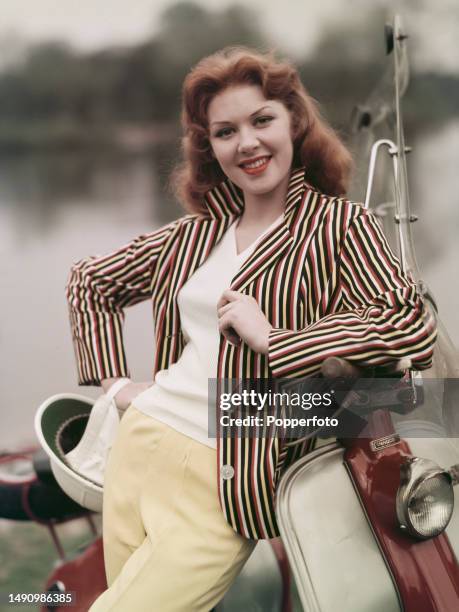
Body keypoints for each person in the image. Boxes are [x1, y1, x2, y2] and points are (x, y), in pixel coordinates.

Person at [66, 47, 436, 611]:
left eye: (261, 120)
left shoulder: (338, 227)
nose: (247, 144)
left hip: (228, 470)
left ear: (294, 121)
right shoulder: (193, 234)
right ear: (209, 147)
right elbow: (90, 284)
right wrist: (118, 388)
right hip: (140, 448)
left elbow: (410, 324)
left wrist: (278, 341)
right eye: (225, 131)